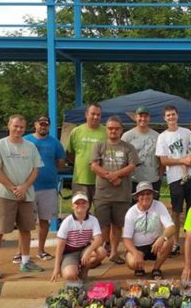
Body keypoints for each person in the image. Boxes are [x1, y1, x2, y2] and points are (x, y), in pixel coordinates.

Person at [0, 114, 44, 279]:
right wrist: (12, 188)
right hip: (4, 195)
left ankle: (26, 261)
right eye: (15, 126)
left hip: (26, 195)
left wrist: (24, 187)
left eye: (21, 127)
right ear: (9, 126)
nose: (18, 129)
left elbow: (36, 169)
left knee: (26, 229)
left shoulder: (31, 147)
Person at [11, 114, 66, 264]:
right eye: (41, 124)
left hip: (48, 187)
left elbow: (61, 162)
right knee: (25, 221)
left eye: (46, 124)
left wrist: (50, 171)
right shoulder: (26, 140)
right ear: (35, 124)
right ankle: (20, 252)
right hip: (28, 187)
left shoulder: (55, 143)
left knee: (44, 220)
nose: (43, 127)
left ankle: (41, 250)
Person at [91, 116, 139, 264]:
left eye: (116, 128)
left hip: (121, 194)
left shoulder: (128, 147)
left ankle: (113, 252)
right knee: (102, 225)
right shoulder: (99, 146)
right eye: (110, 128)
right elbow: (94, 166)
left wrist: (116, 175)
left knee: (118, 225)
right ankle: (100, 253)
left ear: (121, 130)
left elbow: (132, 166)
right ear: (106, 130)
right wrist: (111, 177)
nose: (113, 131)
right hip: (103, 194)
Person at [156, 105, 191, 256]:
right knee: (176, 211)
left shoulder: (187, 132)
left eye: (173, 114)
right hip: (175, 178)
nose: (171, 117)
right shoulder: (162, 137)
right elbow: (163, 160)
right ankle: (175, 242)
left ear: (177, 115)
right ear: (164, 118)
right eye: (168, 115)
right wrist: (182, 160)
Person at [122, 182, 176, 279]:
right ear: (137, 197)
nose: (145, 197)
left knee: (169, 240)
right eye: (142, 194)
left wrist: (162, 238)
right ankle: (139, 267)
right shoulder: (131, 212)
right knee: (132, 262)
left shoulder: (159, 206)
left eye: (148, 193)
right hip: (138, 247)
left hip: (155, 245)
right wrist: (135, 253)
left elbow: (171, 227)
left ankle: (156, 268)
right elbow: (126, 239)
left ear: (152, 195)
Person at [50, 193, 106, 281]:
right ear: (72, 206)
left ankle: (84, 271)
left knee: (101, 252)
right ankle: (70, 267)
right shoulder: (67, 221)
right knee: (70, 275)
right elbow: (60, 246)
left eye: (83, 203)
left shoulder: (93, 220)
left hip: (84, 249)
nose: (81, 205)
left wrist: (88, 251)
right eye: (77, 203)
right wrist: (56, 267)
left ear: (88, 205)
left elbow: (98, 239)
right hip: (69, 253)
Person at [66, 102, 106, 203]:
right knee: (80, 210)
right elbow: (69, 153)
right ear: (86, 114)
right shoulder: (76, 132)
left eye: (98, 114)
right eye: (93, 114)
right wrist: (81, 163)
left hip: (101, 180)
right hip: (80, 180)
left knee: (101, 210)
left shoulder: (106, 132)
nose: (95, 117)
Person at [121, 106, 164, 200]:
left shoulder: (157, 136)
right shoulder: (127, 136)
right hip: (133, 180)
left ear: (149, 118)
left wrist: (160, 177)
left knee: (153, 207)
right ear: (136, 117)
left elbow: (161, 160)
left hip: (152, 180)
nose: (143, 119)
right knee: (133, 207)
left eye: (146, 116)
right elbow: (122, 159)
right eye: (140, 116)